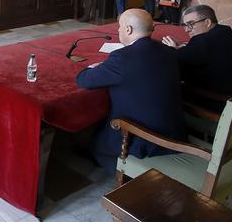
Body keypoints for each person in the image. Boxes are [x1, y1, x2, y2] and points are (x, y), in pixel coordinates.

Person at [76, 9, 186, 173]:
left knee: (99, 146)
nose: (118, 30)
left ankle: (126, 173)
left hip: (145, 138)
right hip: (174, 130)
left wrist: (91, 68)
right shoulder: (168, 51)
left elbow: (84, 80)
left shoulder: (122, 58)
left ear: (128, 29)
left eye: (120, 26)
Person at [162, 5, 232, 113]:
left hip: (218, 101)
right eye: (185, 25)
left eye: (191, 24)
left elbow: (174, 60)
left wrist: (172, 49)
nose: (187, 30)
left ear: (207, 22)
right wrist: (182, 49)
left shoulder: (203, 41)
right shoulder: (225, 31)